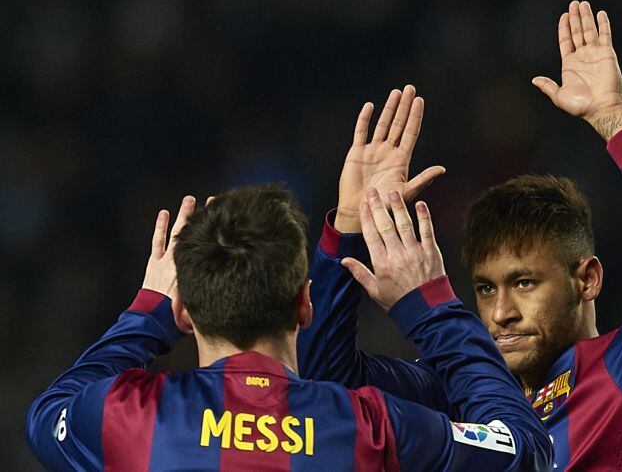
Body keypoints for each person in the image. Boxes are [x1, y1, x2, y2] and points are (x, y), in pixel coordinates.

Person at [298, 1, 622, 470]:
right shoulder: (462, 384)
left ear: (588, 279)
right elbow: (323, 383)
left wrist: (614, 119)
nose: (501, 314)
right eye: (485, 288)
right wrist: (350, 223)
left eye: (524, 283)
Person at [26, 164, 552, 466]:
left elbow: (49, 413)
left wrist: (149, 312)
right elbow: (528, 451)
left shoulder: (126, 417)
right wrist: (430, 305)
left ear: (185, 311)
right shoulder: (372, 425)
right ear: (305, 304)